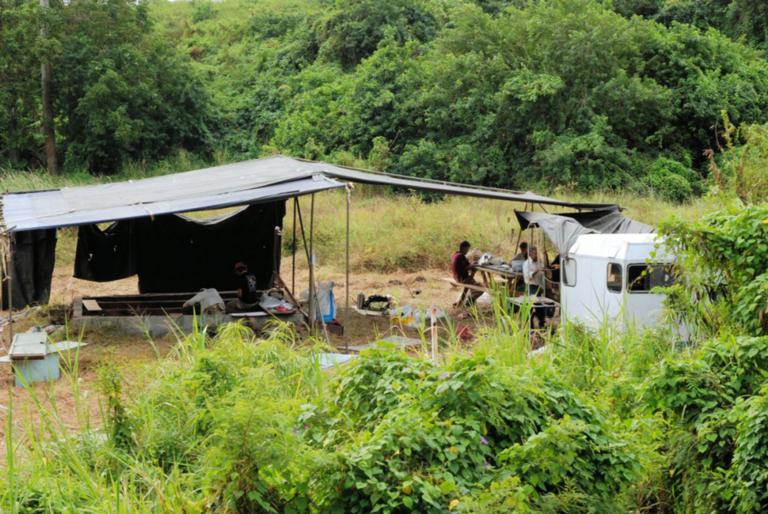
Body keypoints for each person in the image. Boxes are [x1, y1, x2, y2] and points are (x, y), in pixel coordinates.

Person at [451, 241, 483, 306]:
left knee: (473, 285)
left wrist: (471, 264)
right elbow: (468, 267)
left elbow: (463, 266)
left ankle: (460, 301)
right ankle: (470, 301)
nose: (467, 251)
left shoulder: (455, 254)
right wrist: (474, 264)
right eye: (467, 249)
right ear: (464, 248)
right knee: (481, 288)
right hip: (463, 279)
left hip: (456, 277)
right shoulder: (461, 256)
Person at [523, 246, 548, 328]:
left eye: (536, 253)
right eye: (534, 253)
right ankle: (529, 325)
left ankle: (542, 324)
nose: (536, 255)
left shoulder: (539, 262)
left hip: (539, 286)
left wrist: (544, 270)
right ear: (529, 254)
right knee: (530, 306)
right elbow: (528, 277)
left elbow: (542, 275)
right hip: (530, 286)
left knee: (541, 306)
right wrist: (538, 270)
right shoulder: (526, 264)